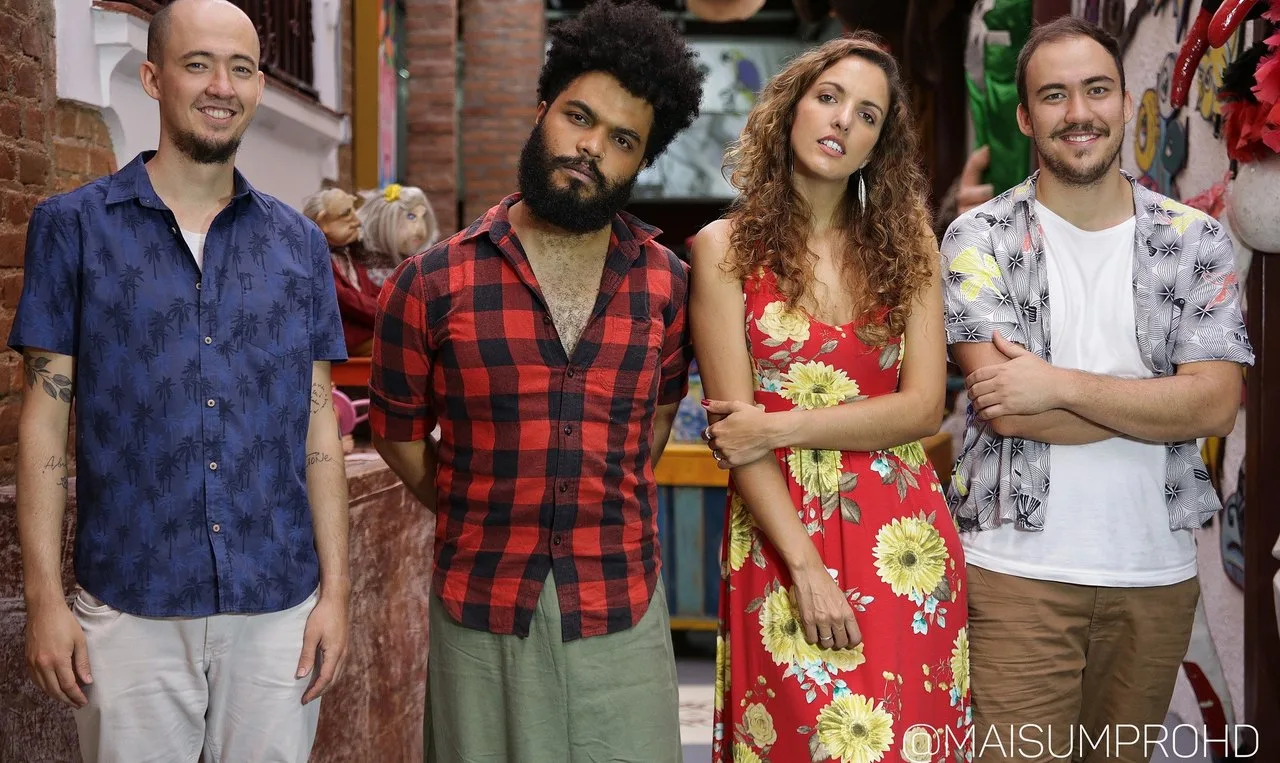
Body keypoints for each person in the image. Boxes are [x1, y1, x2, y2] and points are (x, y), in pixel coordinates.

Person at [9, 1, 351, 760]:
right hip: (129, 606)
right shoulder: (74, 229)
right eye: (199, 64)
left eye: (241, 68)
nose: (221, 86)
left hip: (279, 609)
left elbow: (319, 421)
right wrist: (43, 598)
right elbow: (44, 423)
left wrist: (337, 593)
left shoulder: (300, 245)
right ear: (153, 77)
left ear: (259, 87)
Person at [367, 1, 705, 761]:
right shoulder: (431, 283)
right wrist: (477, 503)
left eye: (622, 140)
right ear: (543, 108)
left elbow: (657, 418)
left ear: (641, 162)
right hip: (481, 606)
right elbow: (396, 435)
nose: (591, 148)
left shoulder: (667, 286)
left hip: (620, 601)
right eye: (579, 117)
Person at [940, 17, 1252, 762]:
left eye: (1096, 90)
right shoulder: (977, 238)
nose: (1078, 112)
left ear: (1123, 101)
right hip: (1016, 574)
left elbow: (1215, 404)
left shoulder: (1195, 239)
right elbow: (1006, 408)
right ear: (1025, 117)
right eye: (1054, 95)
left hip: (1155, 575)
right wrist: (1159, 401)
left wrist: (1053, 384)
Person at [692, 34, 970, 763]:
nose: (844, 120)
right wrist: (807, 569)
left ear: (879, 145)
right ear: (792, 109)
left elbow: (921, 409)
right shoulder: (722, 250)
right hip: (781, 538)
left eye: (868, 115)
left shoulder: (911, 246)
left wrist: (779, 425)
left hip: (902, 538)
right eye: (829, 97)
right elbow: (735, 436)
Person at [303, 187, 381, 355]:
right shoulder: (314, 262)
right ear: (322, 222)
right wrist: (387, 311)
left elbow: (371, 291)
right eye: (346, 214)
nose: (357, 221)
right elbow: (346, 300)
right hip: (343, 342)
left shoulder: (353, 254)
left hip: (367, 332)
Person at [357, 183, 437, 287]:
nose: (421, 227)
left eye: (423, 217)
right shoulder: (370, 270)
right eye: (411, 217)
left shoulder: (419, 266)